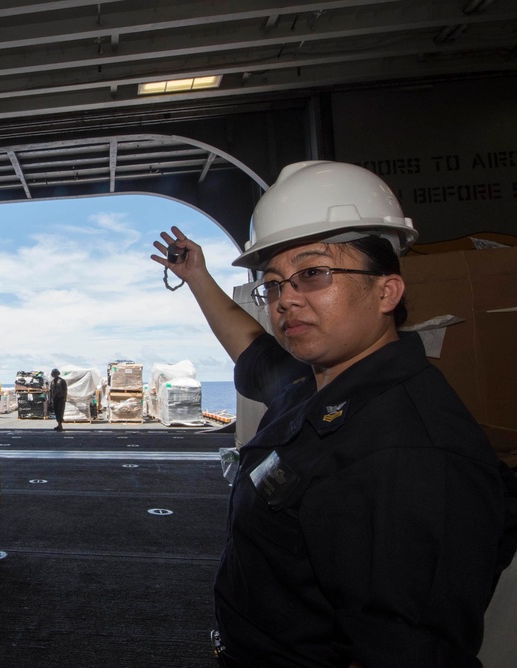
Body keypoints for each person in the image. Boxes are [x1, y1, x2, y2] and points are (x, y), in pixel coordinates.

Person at [151, 160, 517, 667]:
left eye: (313, 273)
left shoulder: (408, 452)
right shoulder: (315, 383)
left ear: (387, 290)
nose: (286, 299)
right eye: (275, 284)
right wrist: (196, 277)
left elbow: (406, 649)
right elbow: (251, 349)